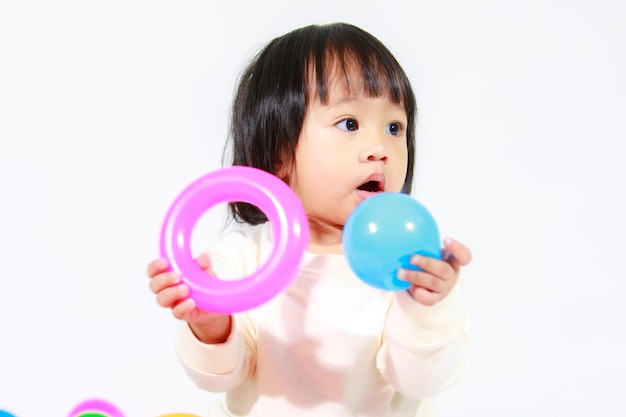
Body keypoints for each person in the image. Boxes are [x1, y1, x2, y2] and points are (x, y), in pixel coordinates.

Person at [147, 22, 472, 417]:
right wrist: (211, 324)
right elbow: (219, 378)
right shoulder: (239, 261)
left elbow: (421, 382)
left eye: (394, 127)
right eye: (349, 124)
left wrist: (426, 308)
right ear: (281, 152)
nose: (380, 149)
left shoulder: (409, 267)